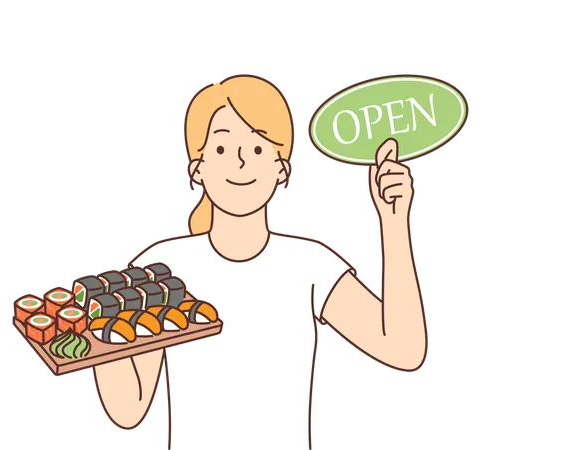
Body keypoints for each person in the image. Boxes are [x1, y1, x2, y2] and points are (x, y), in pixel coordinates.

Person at [93, 73, 428, 450]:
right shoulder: (161, 270)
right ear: (198, 168)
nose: (239, 162)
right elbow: (127, 410)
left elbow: (403, 349)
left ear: (281, 168)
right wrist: (100, 327)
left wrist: (395, 222)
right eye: (221, 149)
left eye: (256, 149)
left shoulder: (308, 265)